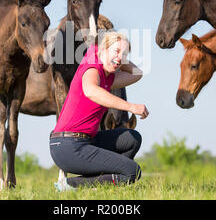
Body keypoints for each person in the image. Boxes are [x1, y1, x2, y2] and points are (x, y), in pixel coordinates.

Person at [49, 32, 149, 191]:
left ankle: (110, 182)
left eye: (124, 55)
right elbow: (91, 91)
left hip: (87, 141)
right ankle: (69, 185)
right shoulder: (92, 67)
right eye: (116, 51)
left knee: (132, 138)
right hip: (68, 146)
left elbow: (137, 73)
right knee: (132, 172)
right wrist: (130, 106)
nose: (120, 58)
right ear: (103, 50)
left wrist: (118, 58)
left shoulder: (107, 77)